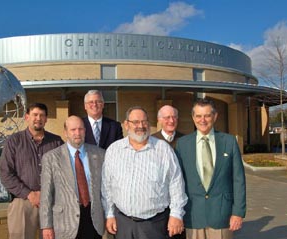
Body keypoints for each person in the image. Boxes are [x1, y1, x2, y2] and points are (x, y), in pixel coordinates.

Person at [101, 106, 188, 239]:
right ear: (126, 124)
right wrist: (109, 214)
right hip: (123, 223)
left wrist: (176, 214)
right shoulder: (114, 150)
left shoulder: (163, 149)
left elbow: (176, 183)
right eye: (135, 122)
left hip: (153, 224)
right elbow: (107, 186)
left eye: (144, 121)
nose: (140, 126)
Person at [175, 98, 246, 239]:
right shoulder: (182, 144)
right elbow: (177, 182)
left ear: (215, 116)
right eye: (198, 116)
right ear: (193, 117)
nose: (203, 120)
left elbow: (238, 180)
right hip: (193, 215)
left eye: (207, 115)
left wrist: (238, 212)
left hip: (221, 215)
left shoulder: (229, 141)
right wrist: (176, 214)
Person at [0, 103, 64, 239]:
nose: (38, 118)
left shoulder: (57, 142)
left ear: (46, 119)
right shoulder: (13, 141)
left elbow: (65, 172)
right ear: (27, 117)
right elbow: (6, 174)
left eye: (42, 115)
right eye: (35, 115)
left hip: (51, 203)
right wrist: (29, 194)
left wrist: (47, 193)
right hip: (23, 203)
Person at [40, 116, 105, 239]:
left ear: (85, 131)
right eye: (73, 129)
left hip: (93, 220)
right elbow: (46, 195)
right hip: (65, 222)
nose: (77, 133)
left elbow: (106, 189)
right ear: (65, 132)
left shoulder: (99, 154)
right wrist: (46, 226)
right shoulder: (51, 158)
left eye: (80, 129)